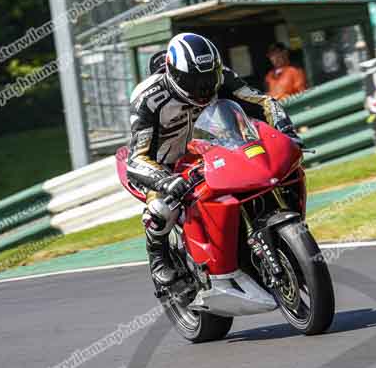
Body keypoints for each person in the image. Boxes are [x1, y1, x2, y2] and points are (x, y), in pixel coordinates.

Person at [126, 32, 299, 290]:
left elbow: (263, 102)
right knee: (162, 208)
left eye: (208, 78)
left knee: (267, 172)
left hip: (211, 150)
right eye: (194, 80)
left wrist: (285, 129)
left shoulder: (223, 75)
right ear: (174, 75)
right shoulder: (148, 99)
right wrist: (165, 180)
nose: (204, 87)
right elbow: (137, 158)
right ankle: (159, 259)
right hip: (165, 165)